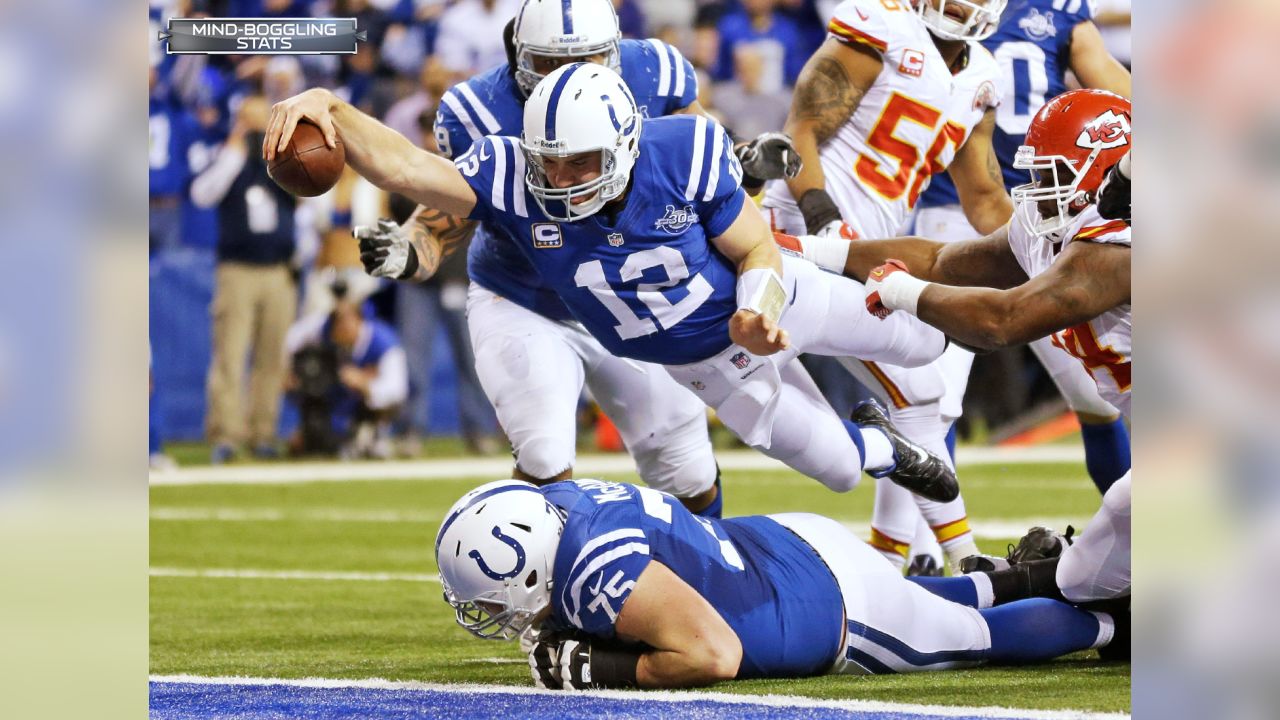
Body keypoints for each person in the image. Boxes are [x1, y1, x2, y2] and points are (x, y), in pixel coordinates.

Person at [265, 62, 960, 505]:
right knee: (840, 469)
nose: (561, 178)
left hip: (770, 302)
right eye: (551, 162)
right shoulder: (511, 178)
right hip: (701, 364)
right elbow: (406, 169)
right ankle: (887, 446)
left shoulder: (682, 151)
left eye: (579, 162)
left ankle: (991, 292)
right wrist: (329, 103)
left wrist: (758, 309)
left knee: (928, 342)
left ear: (625, 143)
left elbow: (756, 249)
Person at [361, 0, 728, 513]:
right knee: (545, 455)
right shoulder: (480, 111)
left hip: (637, 300)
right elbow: (450, 209)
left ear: (615, 53)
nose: (571, 76)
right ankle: (537, 590)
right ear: (520, 59)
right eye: (553, 63)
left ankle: (705, 580)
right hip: (527, 297)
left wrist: (747, 168)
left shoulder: (656, 72)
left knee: (688, 470)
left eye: (589, 59)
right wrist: (409, 246)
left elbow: (704, 158)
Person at [791, 88, 1133, 600]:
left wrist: (902, 292)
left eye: (1054, 175)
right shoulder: (1055, 230)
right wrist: (808, 249)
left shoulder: (1115, 249)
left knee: (1100, 584)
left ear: (1104, 172)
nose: (1038, 188)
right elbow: (940, 260)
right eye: (1035, 173)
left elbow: (1002, 322)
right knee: (1083, 582)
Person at [750, 0, 1014, 573]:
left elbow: (985, 197)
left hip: (866, 252)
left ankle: (916, 557)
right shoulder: (881, 24)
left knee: (921, 395)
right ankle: (953, 557)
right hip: (794, 236)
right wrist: (823, 219)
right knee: (913, 392)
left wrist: (1051, 248)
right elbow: (801, 130)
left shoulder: (981, 77)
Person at [434, 478, 1124, 689]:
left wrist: (594, 667)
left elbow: (712, 655)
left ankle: (1115, 622)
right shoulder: (571, 504)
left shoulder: (595, 571)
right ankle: (1046, 571)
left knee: (972, 640)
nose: (493, 613)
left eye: (494, 597)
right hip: (790, 543)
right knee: (934, 597)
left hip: (822, 608)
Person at [914, 0, 1132, 499]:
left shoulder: (1059, 10)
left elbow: (1122, 100)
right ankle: (928, 547)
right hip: (969, 202)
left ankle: (1129, 535)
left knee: (1096, 397)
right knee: (930, 394)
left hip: (1057, 210)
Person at [194, 94, 301, 464]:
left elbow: (311, 200)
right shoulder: (229, 159)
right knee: (231, 355)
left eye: (263, 125)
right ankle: (226, 434)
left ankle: (263, 432)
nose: (257, 133)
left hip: (278, 270)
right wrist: (234, 150)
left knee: (272, 358)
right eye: (251, 124)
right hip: (238, 270)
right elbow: (202, 194)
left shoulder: (285, 164)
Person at [286, 298, 410, 459]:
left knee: (388, 401)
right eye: (339, 323)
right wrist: (288, 373)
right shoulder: (321, 330)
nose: (343, 329)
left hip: (364, 404)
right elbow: (290, 340)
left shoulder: (384, 343)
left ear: (360, 320)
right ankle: (314, 434)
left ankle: (373, 435)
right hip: (332, 399)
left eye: (348, 322)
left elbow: (397, 390)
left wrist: (364, 384)